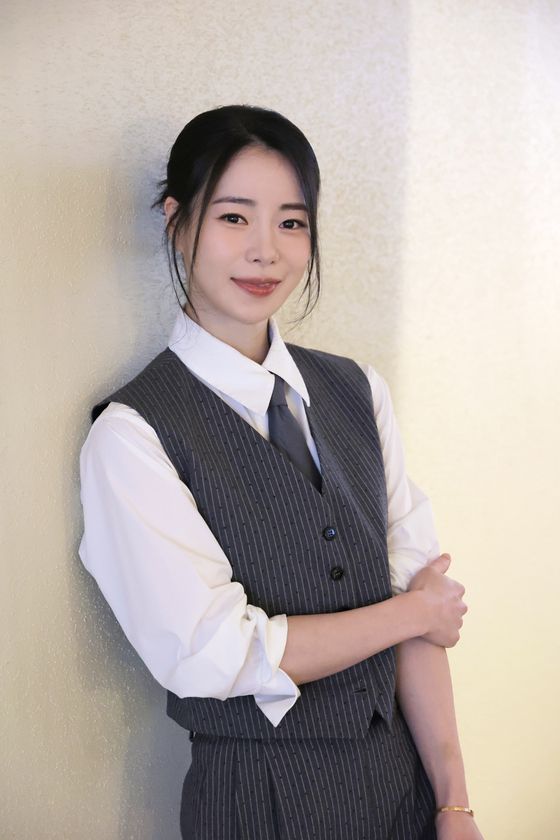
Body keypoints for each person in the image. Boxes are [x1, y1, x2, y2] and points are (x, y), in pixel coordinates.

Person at [79, 105, 484, 840]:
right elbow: (212, 653)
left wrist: (454, 804)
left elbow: (419, 589)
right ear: (177, 222)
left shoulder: (358, 391)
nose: (265, 251)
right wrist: (410, 614)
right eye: (234, 217)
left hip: (407, 789)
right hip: (261, 800)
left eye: (291, 223)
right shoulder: (132, 434)